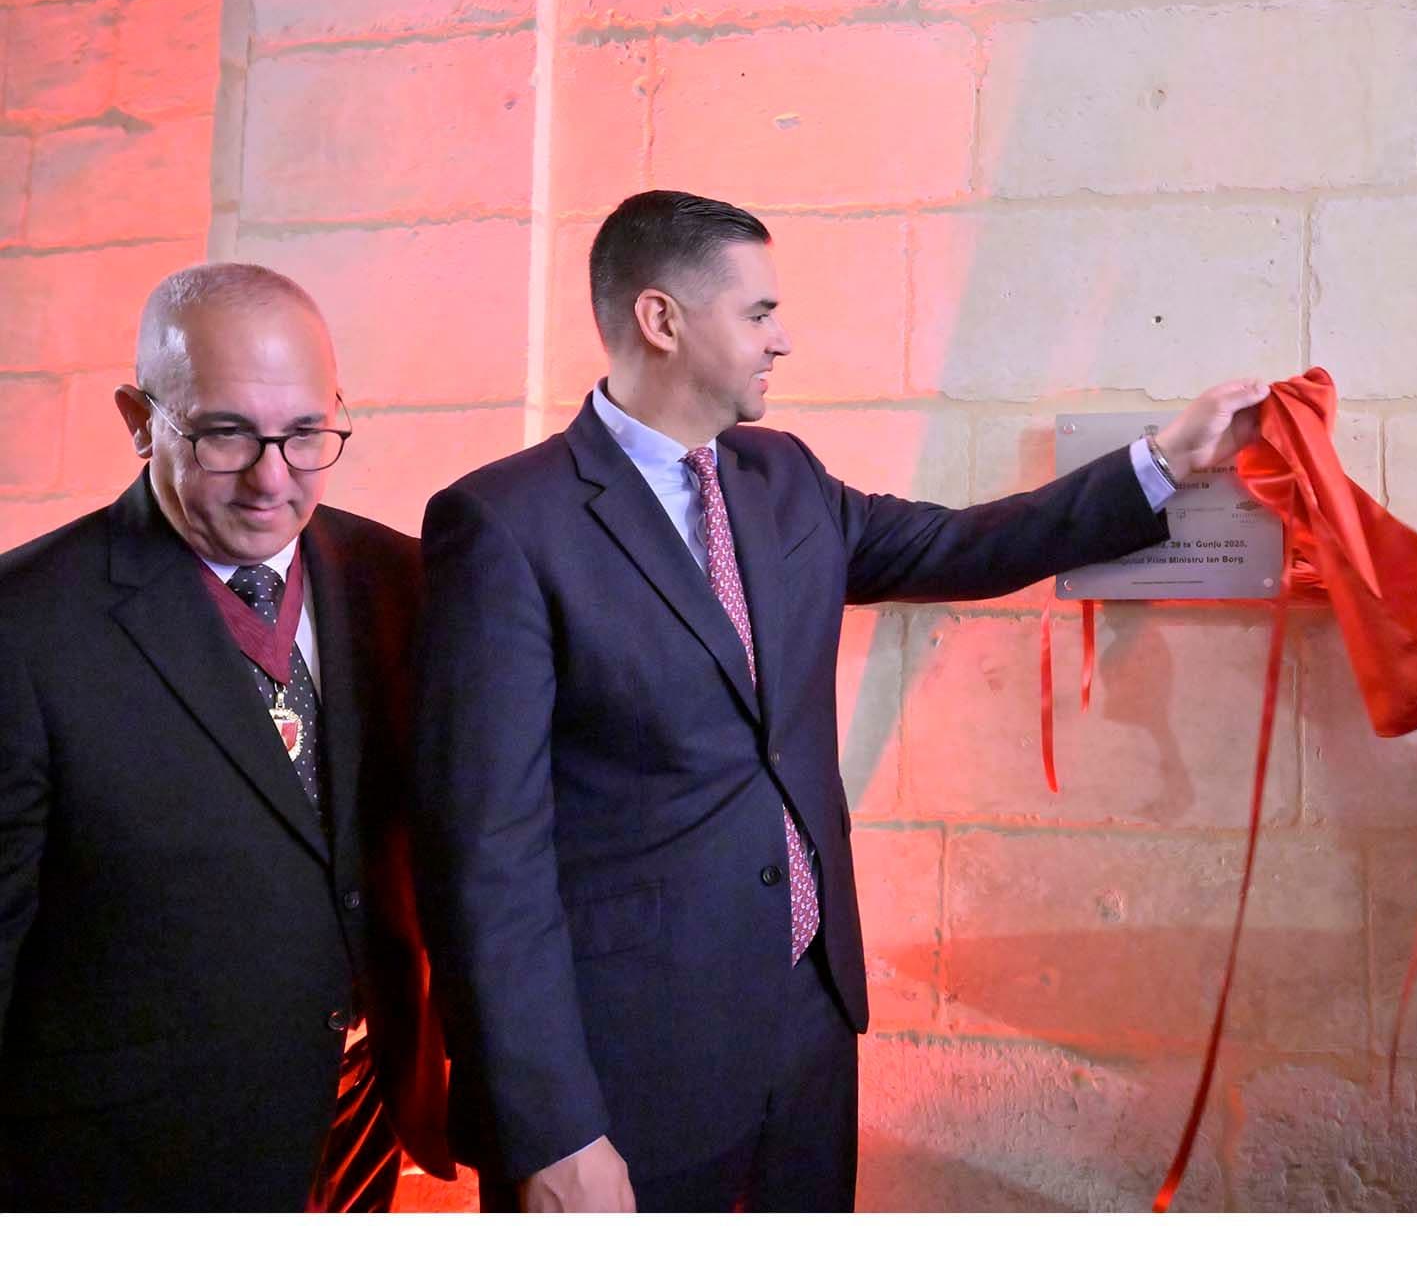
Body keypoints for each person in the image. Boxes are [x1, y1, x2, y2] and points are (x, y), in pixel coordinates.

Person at [412, 189, 1267, 1212]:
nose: (785, 341)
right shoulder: (505, 523)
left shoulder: (782, 477)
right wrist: (548, 1128)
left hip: (809, 1034)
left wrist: (1164, 462)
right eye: (760, 313)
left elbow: (960, 546)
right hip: (632, 1070)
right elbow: (482, 855)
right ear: (661, 319)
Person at [0, 263, 450, 1210]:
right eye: (224, 435)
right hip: (131, 1169)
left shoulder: (402, 579)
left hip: (362, 1131)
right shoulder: (24, 626)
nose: (271, 480)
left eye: (307, 436)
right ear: (138, 418)